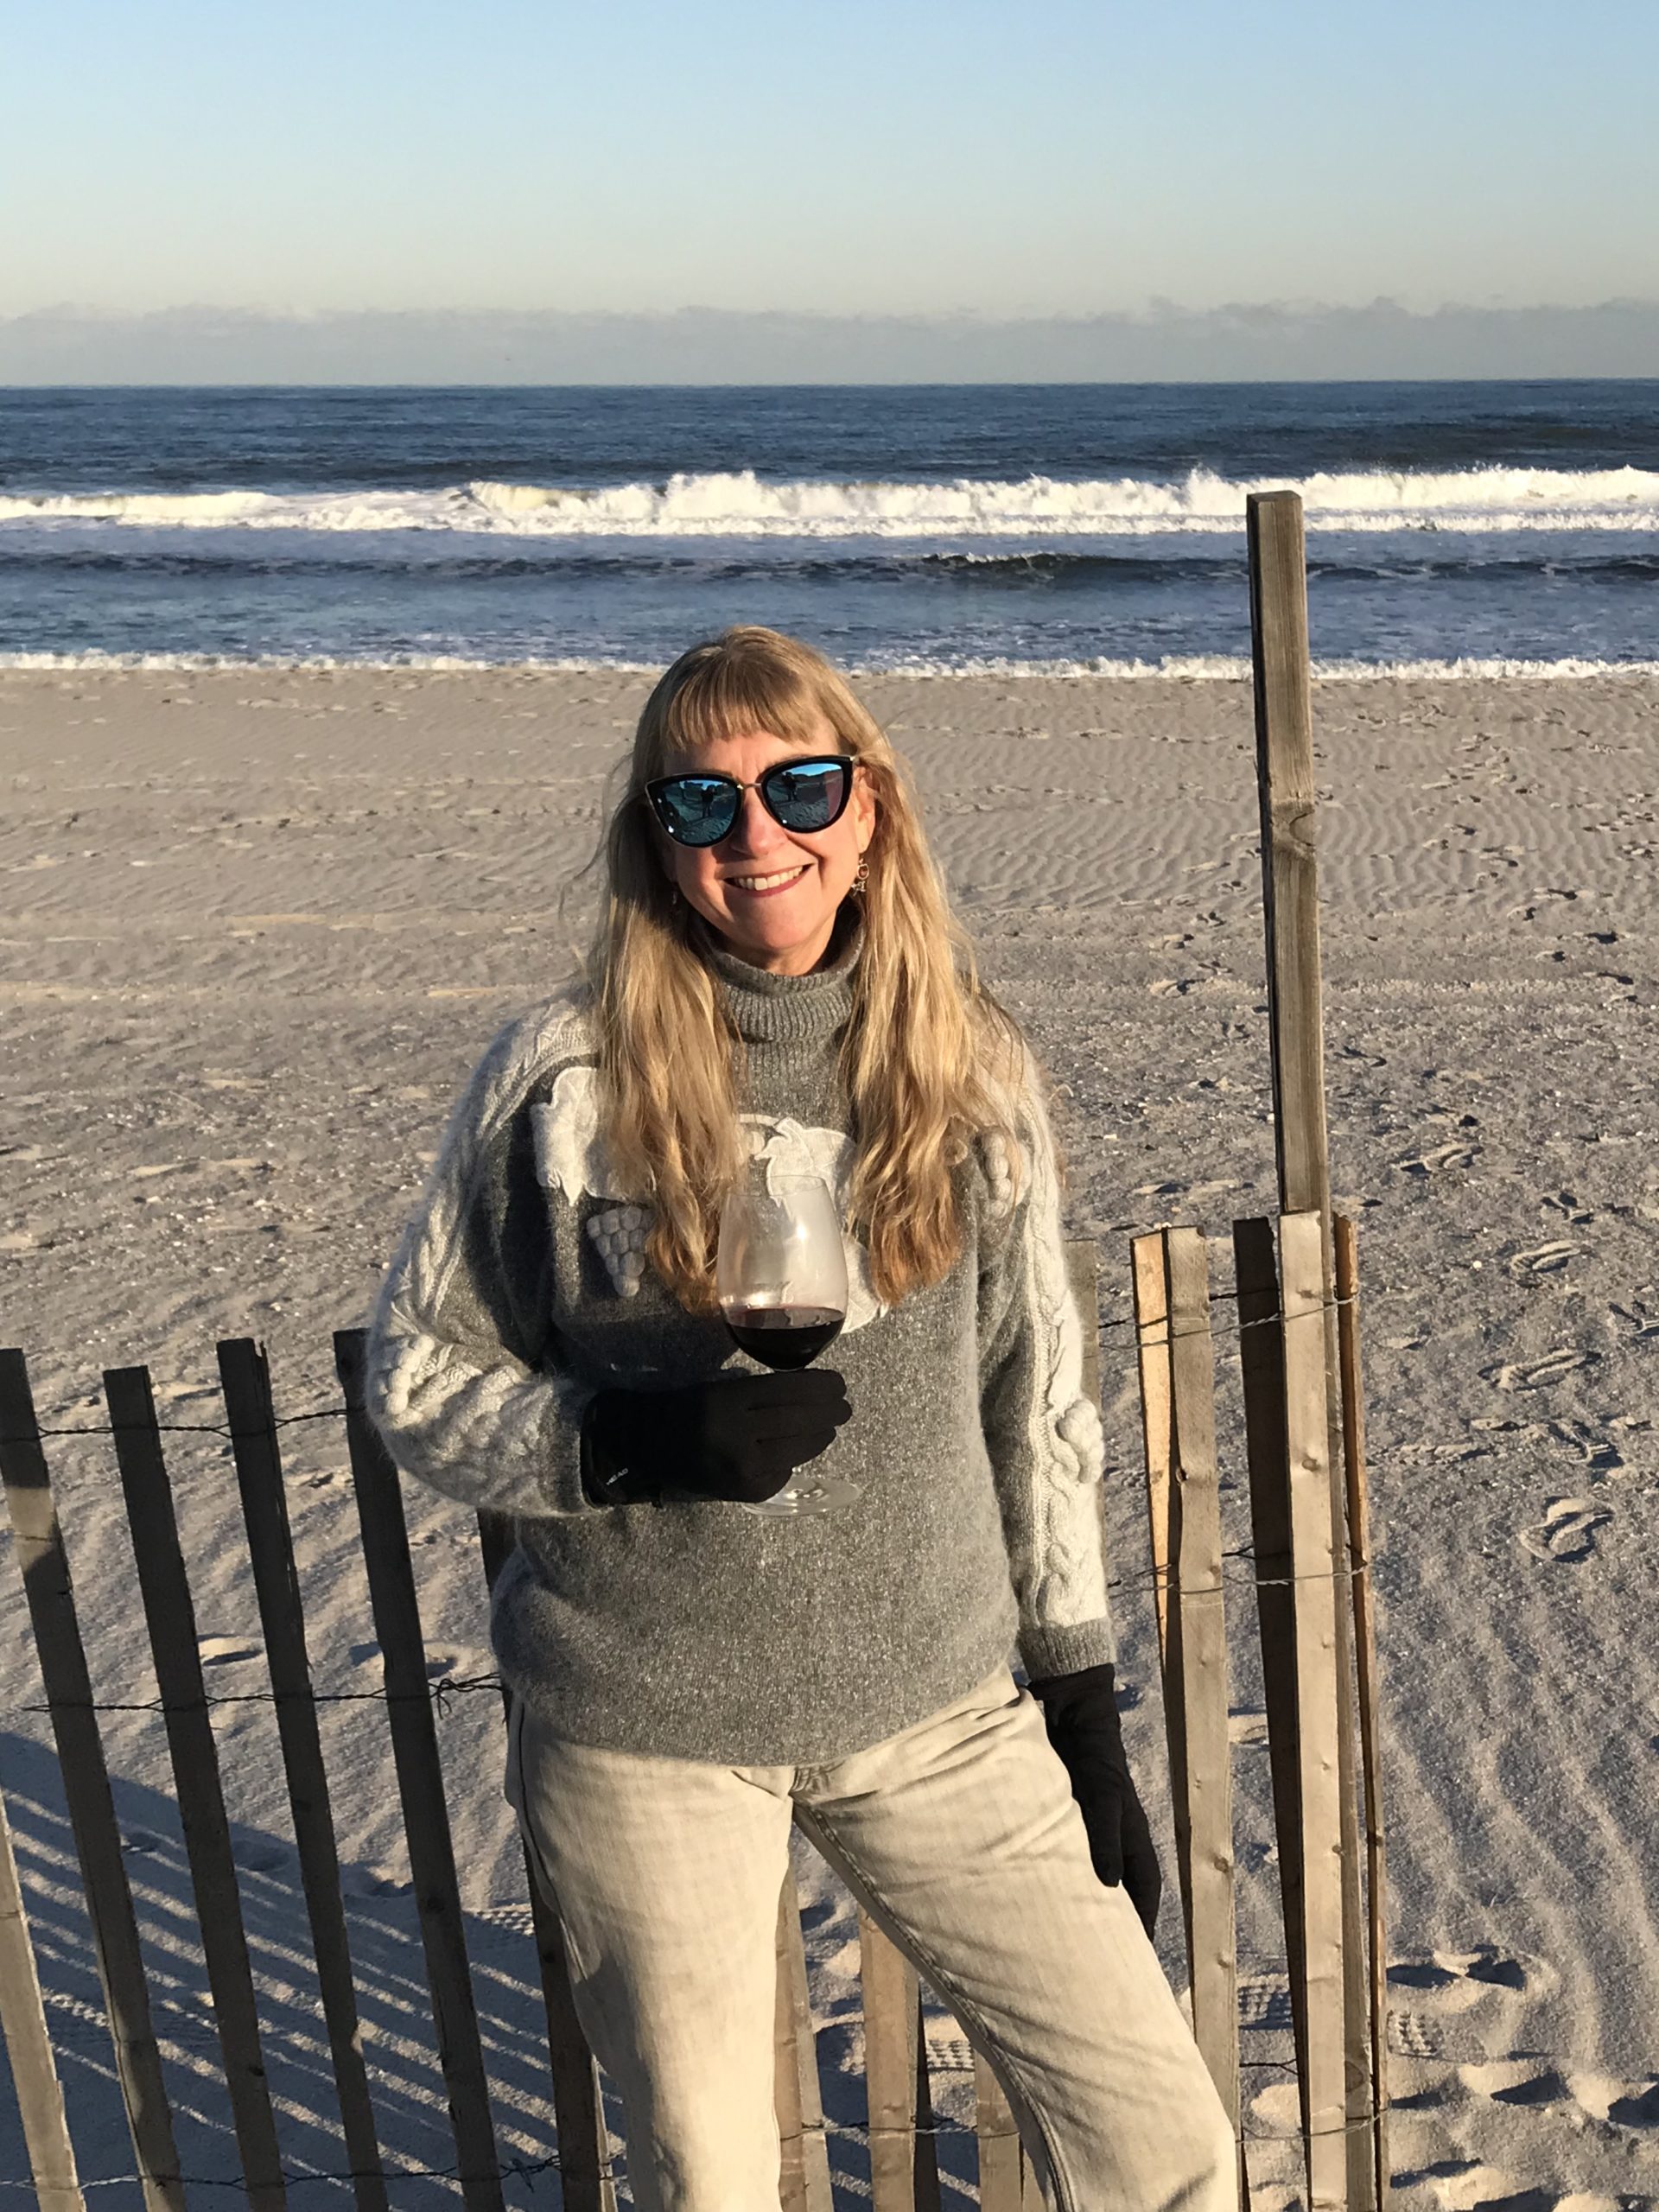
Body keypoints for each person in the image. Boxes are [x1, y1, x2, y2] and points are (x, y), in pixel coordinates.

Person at [364, 627, 1235, 2212]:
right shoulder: (560, 1078)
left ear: (870, 810)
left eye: (798, 786)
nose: (757, 837)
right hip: (645, 1735)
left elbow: (1032, 1400)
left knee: (1164, 2142)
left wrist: (1084, 1703)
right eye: (701, 805)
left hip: (940, 1707)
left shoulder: (973, 1068)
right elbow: (417, 1385)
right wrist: (620, 1447)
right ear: (659, 843)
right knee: (712, 2184)